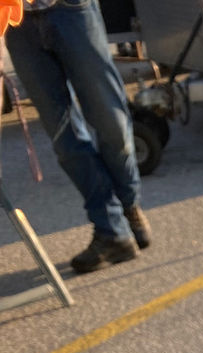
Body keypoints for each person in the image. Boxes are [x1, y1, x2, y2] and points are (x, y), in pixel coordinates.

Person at [4, 0, 151, 273]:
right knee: (65, 138)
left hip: (72, 8)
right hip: (18, 21)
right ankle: (111, 229)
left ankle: (128, 203)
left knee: (111, 121)